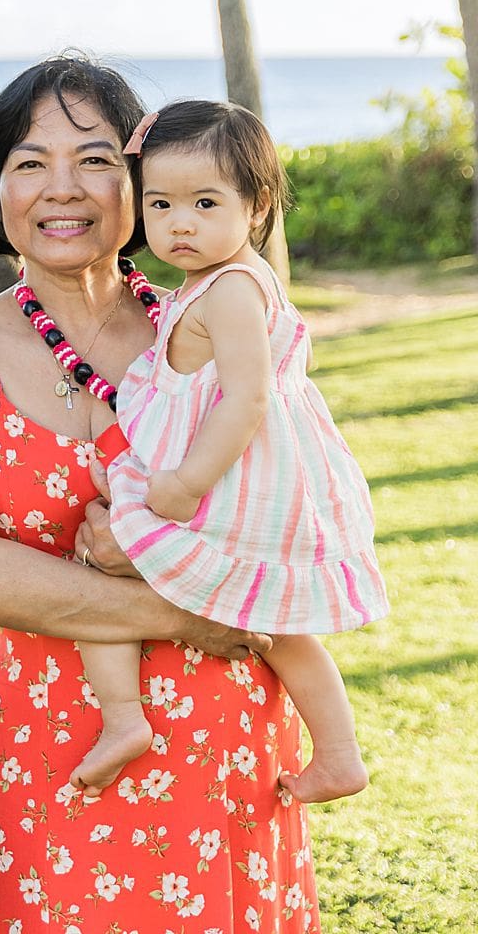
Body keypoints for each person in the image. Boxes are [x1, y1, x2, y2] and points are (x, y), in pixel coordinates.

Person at [0, 57, 323, 934]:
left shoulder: (200, 327)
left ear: (140, 182)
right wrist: (182, 613)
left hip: (224, 734)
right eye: (28, 162)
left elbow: (290, 501)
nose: (64, 189)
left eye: (94, 159)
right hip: (61, 743)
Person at [68, 98, 388, 801]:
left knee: (101, 564)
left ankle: (126, 717)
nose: (180, 223)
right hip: (215, 473)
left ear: (257, 204)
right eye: (161, 203)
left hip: (225, 485)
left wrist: (183, 483)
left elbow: (246, 399)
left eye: (205, 202)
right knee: (276, 625)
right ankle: (335, 752)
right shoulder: (203, 284)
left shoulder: (234, 290)